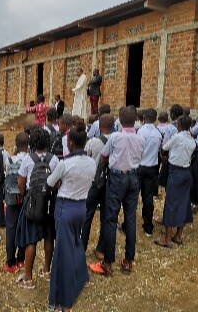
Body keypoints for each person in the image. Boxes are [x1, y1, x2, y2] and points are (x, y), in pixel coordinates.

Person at [47, 119, 96, 311]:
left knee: (62, 254)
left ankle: (63, 300)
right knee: (75, 242)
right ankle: (82, 274)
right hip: (81, 208)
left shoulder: (65, 163)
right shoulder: (91, 162)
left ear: (72, 144)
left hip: (65, 208)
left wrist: (61, 182)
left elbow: (50, 183)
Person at [90, 106, 145, 275]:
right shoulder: (141, 138)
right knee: (130, 218)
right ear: (135, 119)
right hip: (134, 178)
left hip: (117, 178)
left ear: (119, 121)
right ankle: (128, 261)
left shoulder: (115, 137)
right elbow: (140, 156)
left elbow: (105, 156)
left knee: (111, 219)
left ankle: (108, 263)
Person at [15, 128, 60, 289]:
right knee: (49, 237)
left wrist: (25, 195)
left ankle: (28, 278)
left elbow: (21, 182)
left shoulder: (28, 159)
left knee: (31, 240)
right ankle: (47, 270)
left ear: (31, 143)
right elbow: (58, 182)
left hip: (32, 203)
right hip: (49, 203)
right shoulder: (54, 159)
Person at [155, 115, 196, 248]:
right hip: (186, 172)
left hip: (175, 172)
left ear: (178, 125)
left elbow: (165, 147)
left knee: (171, 203)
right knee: (184, 203)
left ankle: (167, 238)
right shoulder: (192, 139)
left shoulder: (177, 137)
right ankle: (178, 235)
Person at [82, 114, 114, 258]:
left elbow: (86, 160)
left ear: (99, 127)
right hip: (111, 182)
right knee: (106, 216)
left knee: (87, 214)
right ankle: (101, 249)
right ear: (113, 126)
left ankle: (81, 246)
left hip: (94, 182)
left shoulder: (93, 142)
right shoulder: (117, 140)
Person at [3, 132, 28, 273]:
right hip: (25, 198)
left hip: (12, 199)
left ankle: (10, 262)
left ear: (16, 145)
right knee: (24, 227)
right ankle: (21, 260)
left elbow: (6, 174)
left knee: (11, 229)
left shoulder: (10, 160)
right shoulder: (30, 160)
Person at [137, 109, 163, 236]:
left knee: (133, 196)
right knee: (148, 198)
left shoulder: (141, 132)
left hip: (140, 167)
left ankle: (127, 224)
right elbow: (159, 151)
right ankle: (148, 227)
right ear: (155, 118)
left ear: (144, 117)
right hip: (152, 168)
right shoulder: (158, 133)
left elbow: (137, 149)